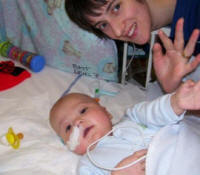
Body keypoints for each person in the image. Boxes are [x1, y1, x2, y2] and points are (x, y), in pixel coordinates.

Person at [49, 79, 200, 175]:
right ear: (69, 145)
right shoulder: (89, 164)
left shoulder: (133, 116)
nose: (77, 122)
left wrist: (175, 103)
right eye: (68, 128)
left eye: (83, 111)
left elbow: (156, 111)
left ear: (106, 112)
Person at [64, 0, 200, 93]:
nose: (117, 31)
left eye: (116, 7)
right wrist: (175, 89)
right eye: (103, 25)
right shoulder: (154, 43)